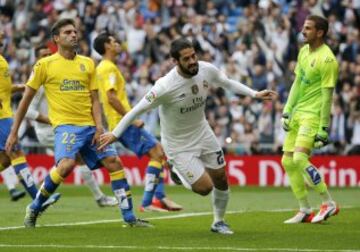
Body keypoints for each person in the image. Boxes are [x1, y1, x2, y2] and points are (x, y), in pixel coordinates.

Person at [98, 37, 277, 234]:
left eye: (193, 56)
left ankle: (218, 222)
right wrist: (115, 134)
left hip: (203, 132)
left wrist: (253, 94)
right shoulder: (164, 86)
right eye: (186, 59)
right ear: (175, 61)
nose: (193, 61)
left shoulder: (206, 69)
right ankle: (175, 169)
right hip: (178, 144)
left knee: (221, 179)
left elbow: (226, 82)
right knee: (204, 188)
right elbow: (136, 111)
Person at [5, 18, 151, 228]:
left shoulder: (88, 62)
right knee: (66, 165)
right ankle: (35, 206)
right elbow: (25, 101)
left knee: (115, 164)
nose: (73, 35)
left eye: (74, 31)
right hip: (66, 126)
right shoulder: (44, 65)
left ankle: (129, 218)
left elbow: (94, 99)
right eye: (67, 32)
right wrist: (13, 132)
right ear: (56, 39)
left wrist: (99, 126)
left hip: (91, 126)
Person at [93, 33, 182, 212]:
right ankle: (151, 201)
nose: (118, 43)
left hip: (118, 122)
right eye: (114, 41)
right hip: (123, 122)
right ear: (107, 47)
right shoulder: (108, 68)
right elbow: (111, 98)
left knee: (156, 153)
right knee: (157, 152)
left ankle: (159, 198)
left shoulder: (104, 68)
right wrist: (132, 117)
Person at [25, 43, 118, 207]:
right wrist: (53, 120)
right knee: (72, 162)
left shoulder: (58, 76)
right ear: (37, 59)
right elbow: (29, 112)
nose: (47, 58)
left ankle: (41, 197)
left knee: (70, 164)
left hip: (65, 126)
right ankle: (98, 198)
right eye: (43, 56)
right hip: (50, 130)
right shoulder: (40, 84)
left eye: (49, 54)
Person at [281, 15, 339, 224]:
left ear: (320, 32)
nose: (303, 31)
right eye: (303, 27)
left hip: (313, 115)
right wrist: (287, 109)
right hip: (298, 113)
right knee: (287, 161)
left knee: (299, 159)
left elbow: (327, 96)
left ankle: (328, 203)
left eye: (308, 28)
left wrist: (324, 127)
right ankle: (305, 209)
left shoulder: (327, 59)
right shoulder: (304, 51)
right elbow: (297, 82)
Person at [0, 30, 60, 207]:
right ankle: (38, 199)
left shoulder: (2, 59)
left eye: (3, 34)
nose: (3, 35)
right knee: (16, 152)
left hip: (5, 113)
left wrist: (19, 87)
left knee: (5, 159)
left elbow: (4, 89)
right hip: (2, 117)